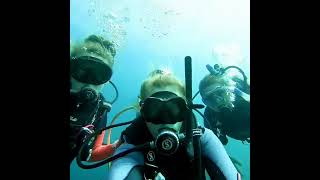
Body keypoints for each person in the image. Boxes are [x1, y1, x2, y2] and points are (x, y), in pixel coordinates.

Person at [107, 69, 241, 180]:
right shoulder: (133, 142)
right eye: (154, 109)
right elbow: (122, 169)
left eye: (174, 109)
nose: (165, 119)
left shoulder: (201, 138)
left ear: (186, 110)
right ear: (143, 111)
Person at [70, 35, 121, 164]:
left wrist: (118, 145)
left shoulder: (100, 109)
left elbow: (88, 154)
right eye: (82, 71)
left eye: (100, 74)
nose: (90, 82)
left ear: (106, 81)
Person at [199, 64, 250, 145]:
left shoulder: (245, 99)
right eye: (210, 99)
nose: (217, 100)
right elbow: (214, 143)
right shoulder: (210, 117)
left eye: (220, 92)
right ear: (206, 103)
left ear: (230, 90)